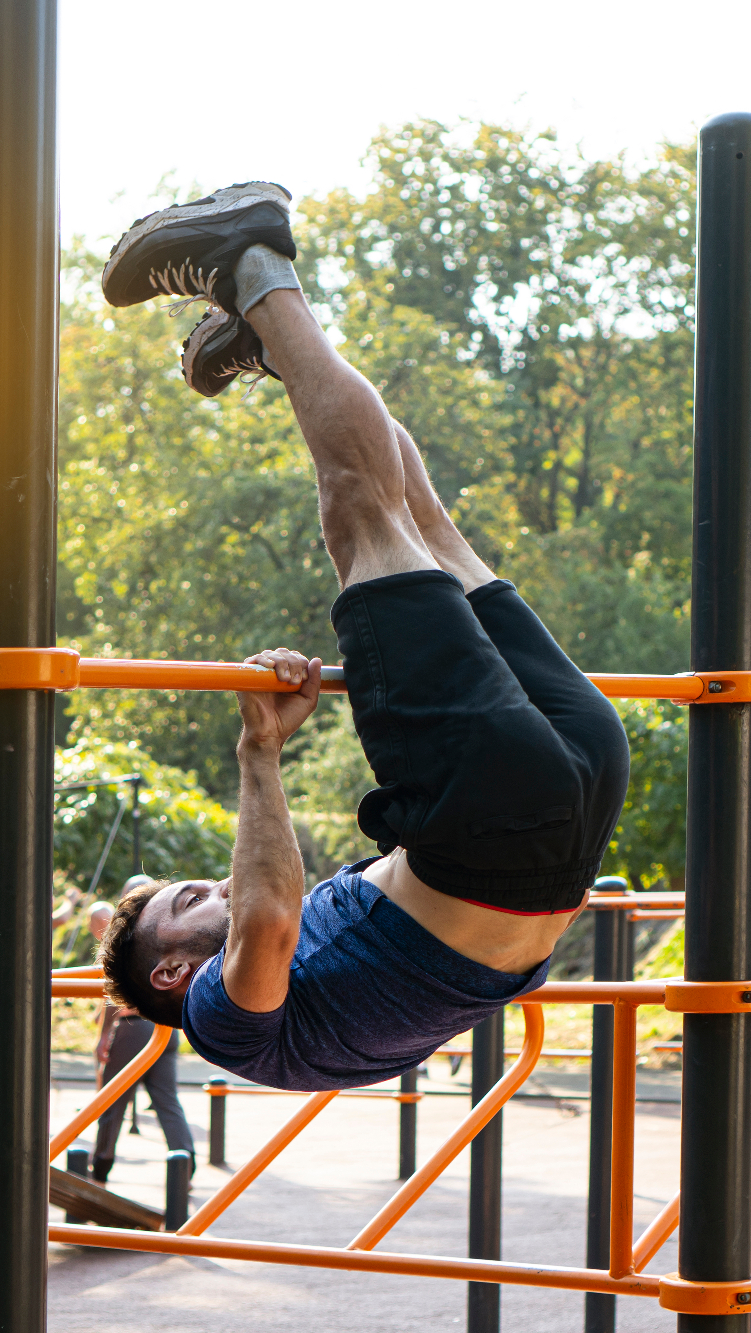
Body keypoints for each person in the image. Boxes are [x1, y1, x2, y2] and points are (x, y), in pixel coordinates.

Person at [96, 182, 630, 1092]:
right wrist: (258, 753)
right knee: (360, 517)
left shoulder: (321, 991)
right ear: (171, 972)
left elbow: (289, 912)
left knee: (419, 521)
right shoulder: (226, 1022)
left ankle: (278, 344)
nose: (217, 887)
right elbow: (265, 920)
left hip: (575, 790)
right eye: (189, 902)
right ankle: (250, 260)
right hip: (498, 826)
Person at [84, 890, 195, 1179]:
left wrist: (103, 1036)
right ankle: (186, 1161)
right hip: (165, 1028)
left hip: (134, 1026)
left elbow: (115, 995)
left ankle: (102, 1161)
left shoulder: (131, 939)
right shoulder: (173, 935)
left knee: (113, 1096)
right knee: (166, 1099)